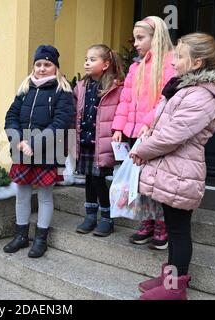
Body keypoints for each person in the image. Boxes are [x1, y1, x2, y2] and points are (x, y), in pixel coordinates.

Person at [130, 33, 215, 300]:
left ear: (197, 63)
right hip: (172, 170)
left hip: (181, 172)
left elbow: (173, 134)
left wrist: (141, 150)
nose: (172, 61)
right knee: (173, 229)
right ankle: (169, 279)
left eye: (179, 56)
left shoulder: (202, 96)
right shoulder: (185, 88)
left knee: (178, 231)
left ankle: (175, 289)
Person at [3, 45, 74, 258]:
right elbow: (11, 116)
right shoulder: (25, 89)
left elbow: (60, 122)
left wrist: (34, 143)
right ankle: (21, 235)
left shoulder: (62, 92)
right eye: (38, 64)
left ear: (55, 67)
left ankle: (41, 238)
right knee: (22, 195)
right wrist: (16, 139)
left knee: (44, 197)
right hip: (22, 150)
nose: (42, 68)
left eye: (47, 64)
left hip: (47, 152)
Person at [112, 16, 176, 250]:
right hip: (134, 133)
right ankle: (147, 220)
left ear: (155, 37)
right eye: (135, 38)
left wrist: (149, 123)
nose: (136, 43)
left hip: (155, 133)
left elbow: (166, 99)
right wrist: (119, 127)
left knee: (155, 181)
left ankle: (162, 224)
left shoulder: (170, 64)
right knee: (139, 180)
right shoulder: (135, 67)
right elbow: (126, 100)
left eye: (141, 38)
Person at [73, 45, 125, 237]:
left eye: (92, 59)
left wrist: (118, 131)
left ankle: (107, 217)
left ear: (106, 64)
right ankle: (90, 216)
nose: (87, 62)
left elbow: (121, 112)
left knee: (98, 179)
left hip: (101, 144)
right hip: (85, 142)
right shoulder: (82, 86)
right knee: (88, 179)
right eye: (86, 58)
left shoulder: (115, 87)